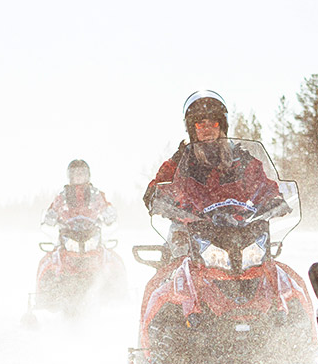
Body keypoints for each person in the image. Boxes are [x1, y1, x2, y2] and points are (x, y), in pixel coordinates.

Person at [142, 91, 287, 261]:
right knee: (176, 266)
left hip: (238, 229)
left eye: (213, 123)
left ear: (222, 126)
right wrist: (165, 201)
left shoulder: (241, 159)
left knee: (271, 269)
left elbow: (263, 185)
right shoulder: (181, 161)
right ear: (191, 128)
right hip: (191, 230)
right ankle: (171, 281)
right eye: (200, 124)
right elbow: (158, 187)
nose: (207, 129)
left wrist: (273, 199)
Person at [43, 159, 117, 229]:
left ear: (87, 175)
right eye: (75, 173)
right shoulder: (64, 194)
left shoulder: (95, 193)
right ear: (70, 176)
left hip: (91, 232)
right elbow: (55, 207)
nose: (79, 176)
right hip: (68, 232)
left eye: (82, 173)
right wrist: (51, 216)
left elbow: (103, 206)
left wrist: (108, 215)